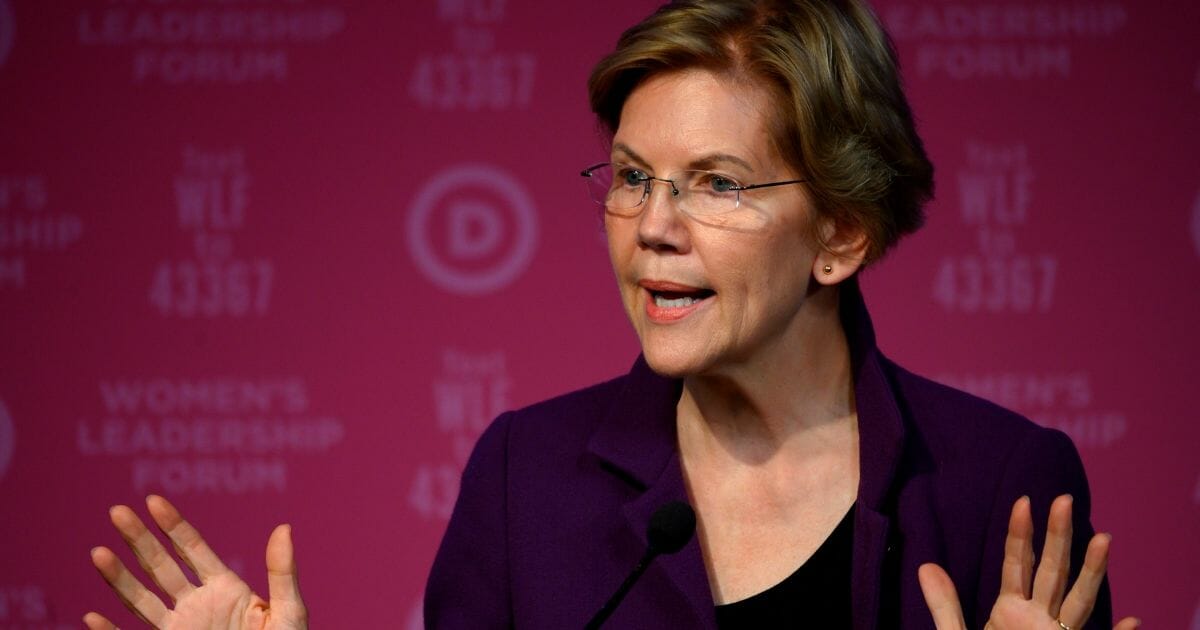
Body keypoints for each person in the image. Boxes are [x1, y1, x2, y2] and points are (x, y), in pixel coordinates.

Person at [85, 1, 1138, 629]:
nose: (651, 226)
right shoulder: (523, 477)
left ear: (840, 234)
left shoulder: (1002, 482)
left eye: (717, 184)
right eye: (633, 177)